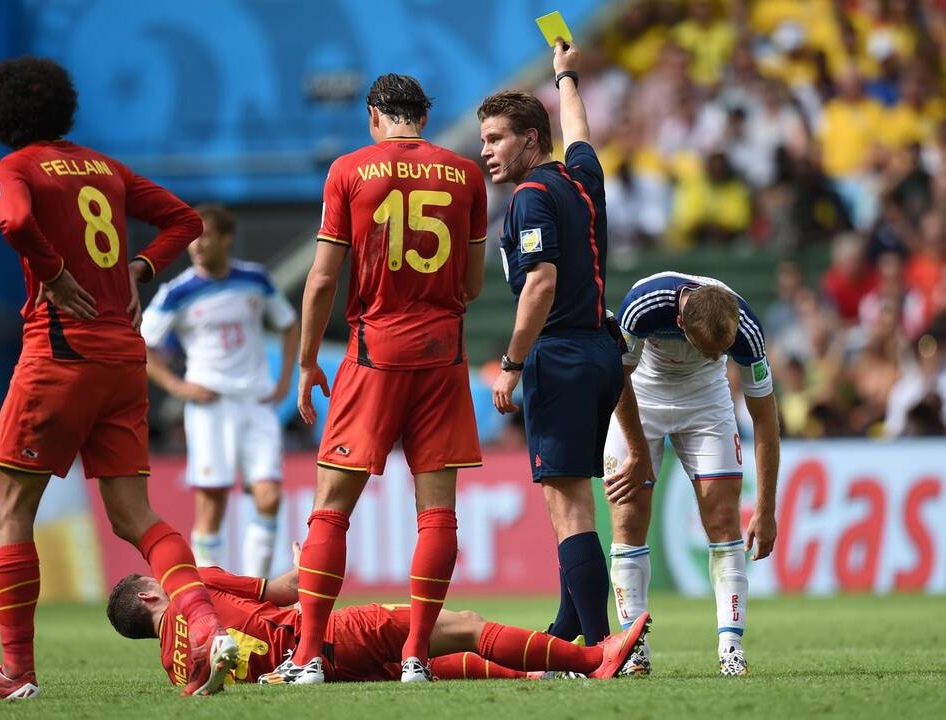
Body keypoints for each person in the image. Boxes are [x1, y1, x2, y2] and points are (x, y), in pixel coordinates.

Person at [0, 57, 238, 700]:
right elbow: (185, 221)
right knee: (137, 516)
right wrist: (139, 267)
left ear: (0, 115)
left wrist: (52, 273)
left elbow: (16, 222)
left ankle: (16, 673)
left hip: (58, 353)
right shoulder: (104, 169)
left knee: (12, 506)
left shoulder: (13, 168)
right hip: (123, 358)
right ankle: (206, 626)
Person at [285, 73, 488, 684]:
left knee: (331, 514)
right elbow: (475, 285)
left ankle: (307, 658)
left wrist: (305, 360)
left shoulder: (348, 170)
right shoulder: (466, 174)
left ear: (375, 115)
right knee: (438, 516)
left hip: (374, 355)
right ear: (422, 117)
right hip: (442, 356)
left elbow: (322, 279)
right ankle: (417, 657)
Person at [478, 40, 645, 648]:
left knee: (569, 508)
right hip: (601, 354)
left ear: (528, 138)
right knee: (568, 504)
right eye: (482, 141)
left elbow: (540, 282)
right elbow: (579, 130)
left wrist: (511, 364)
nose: (486, 152)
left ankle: (601, 649)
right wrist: (566, 75)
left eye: (496, 139)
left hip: (561, 354)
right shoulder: (581, 181)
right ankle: (569, 633)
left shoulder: (529, 198)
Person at [105, 552, 651, 685]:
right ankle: (591, 658)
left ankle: (538, 673)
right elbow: (289, 589)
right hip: (321, 640)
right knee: (457, 623)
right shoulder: (190, 586)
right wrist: (311, 555)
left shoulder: (176, 668)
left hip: (314, 672)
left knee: (427, 659)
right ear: (152, 596)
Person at [603, 272, 780, 677]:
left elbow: (766, 421)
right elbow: (617, 379)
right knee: (627, 518)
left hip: (706, 401)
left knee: (722, 521)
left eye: (724, 351)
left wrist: (767, 508)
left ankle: (731, 648)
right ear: (680, 323)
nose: (720, 357)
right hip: (640, 397)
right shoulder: (642, 305)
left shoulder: (746, 328)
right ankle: (633, 648)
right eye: (710, 350)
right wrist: (636, 450)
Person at [141, 203, 300, 578]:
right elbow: (140, 343)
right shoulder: (176, 293)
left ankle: (257, 591)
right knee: (212, 504)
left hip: (257, 404)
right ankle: (213, 597)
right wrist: (177, 385)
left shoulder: (256, 280)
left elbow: (289, 324)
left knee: (269, 497)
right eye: (192, 238)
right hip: (211, 407)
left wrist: (284, 381)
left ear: (226, 239)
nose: (196, 245)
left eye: (206, 235)